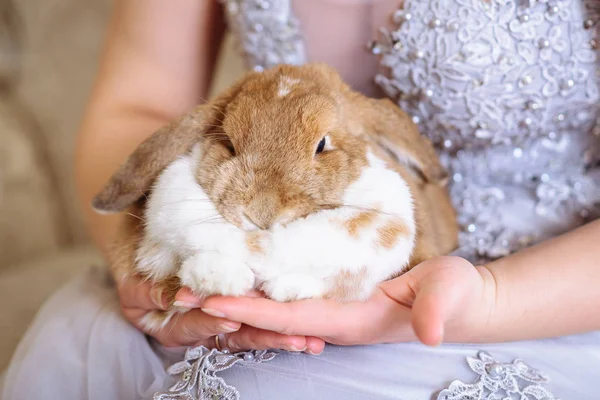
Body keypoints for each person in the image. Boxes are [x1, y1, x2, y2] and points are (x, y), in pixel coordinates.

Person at [3, 0, 600, 399]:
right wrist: (148, 262)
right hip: (262, 248)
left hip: (547, 290)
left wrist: (489, 300)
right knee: (79, 345)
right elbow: (139, 104)